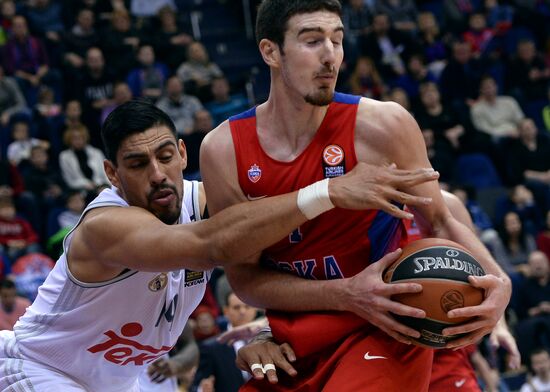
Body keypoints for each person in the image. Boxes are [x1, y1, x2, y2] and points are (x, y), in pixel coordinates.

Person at [0, 99, 438, 391]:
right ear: (113, 174)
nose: (157, 174)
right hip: (40, 367)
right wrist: (329, 189)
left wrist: (273, 326)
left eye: (165, 156)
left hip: (119, 380)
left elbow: (281, 249)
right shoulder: (106, 226)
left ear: (183, 154)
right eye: (137, 164)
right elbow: (213, 245)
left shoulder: (206, 201)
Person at [200, 1, 511, 390]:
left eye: (337, 40)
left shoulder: (384, 125)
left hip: (385, 326)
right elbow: (244, 279)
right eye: (312, 41)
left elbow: (442, 219)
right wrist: (345, 293)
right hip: (293, 341)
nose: (330, 56)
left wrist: (500, 281)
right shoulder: (223, 149)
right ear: (270, 52)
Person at [192, 292, 259, 392]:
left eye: (247, 306)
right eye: (236, 307)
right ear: (226, 311)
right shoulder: (212, 347)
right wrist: (202, 389)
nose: (242, 311)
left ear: (255, 309)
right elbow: (196, 386)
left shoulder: (269, 340)